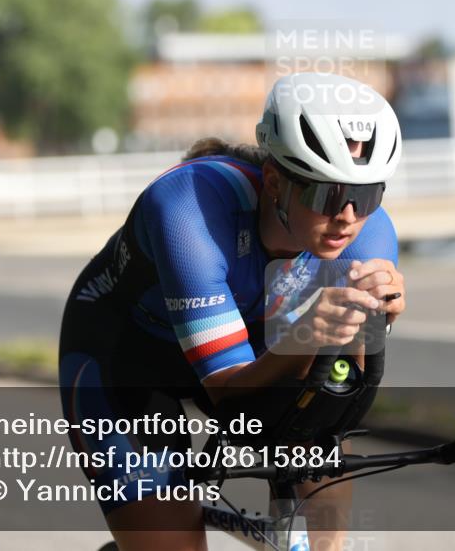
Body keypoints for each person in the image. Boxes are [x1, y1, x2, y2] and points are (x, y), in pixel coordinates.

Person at [59, 72, 407, 551]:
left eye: (366, 195)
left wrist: (369, 328)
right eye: (326, 194)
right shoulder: (188, 210)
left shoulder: (370, 236)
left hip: (254, 347)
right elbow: (228, 394)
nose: (347, 216)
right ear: (273, 181)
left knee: (320, 426)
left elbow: (338, 396)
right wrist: (306, 336)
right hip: (127, 357)